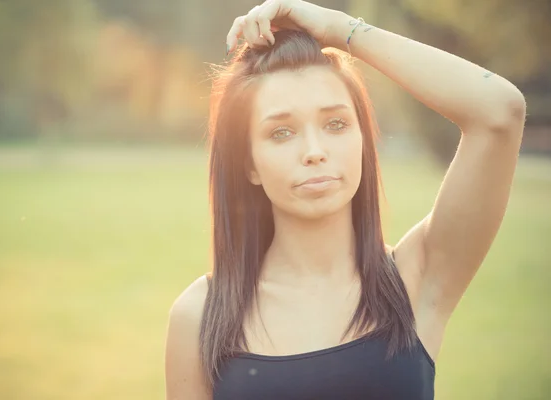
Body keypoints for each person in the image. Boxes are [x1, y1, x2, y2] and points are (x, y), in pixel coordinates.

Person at [164, 1, 526, 399]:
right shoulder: (199, 317)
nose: (315, 151)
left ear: (363, 141)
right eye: (282, 133)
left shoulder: (415, 280)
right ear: (249, 164)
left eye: (336, 124)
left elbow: (499, 111)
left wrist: (341, 31)